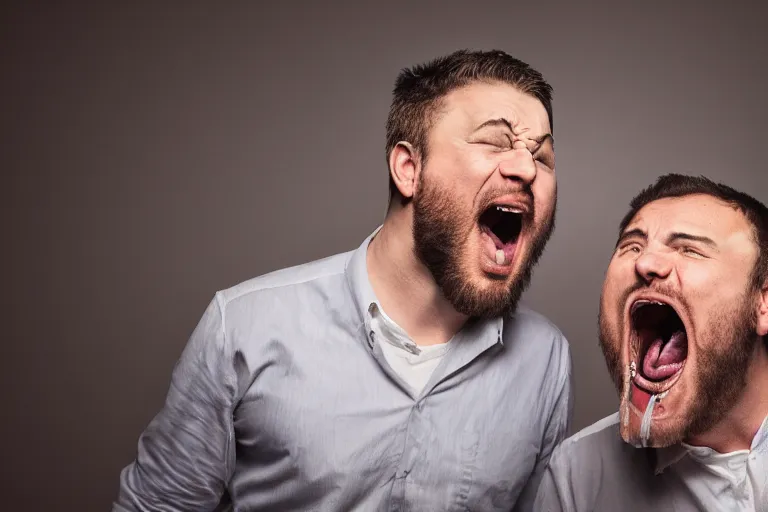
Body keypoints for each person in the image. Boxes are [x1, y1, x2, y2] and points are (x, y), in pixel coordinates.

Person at [114, 49, 572, 512]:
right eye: (495, 143)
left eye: (543, 156)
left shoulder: (544, 362)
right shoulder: (244, 329)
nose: (526, 169)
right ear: (408, 170)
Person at [535, 174, 768, 511]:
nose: (645, 264)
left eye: (690, 249)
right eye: (632, 246)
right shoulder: (576, 475)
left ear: (763, 304)